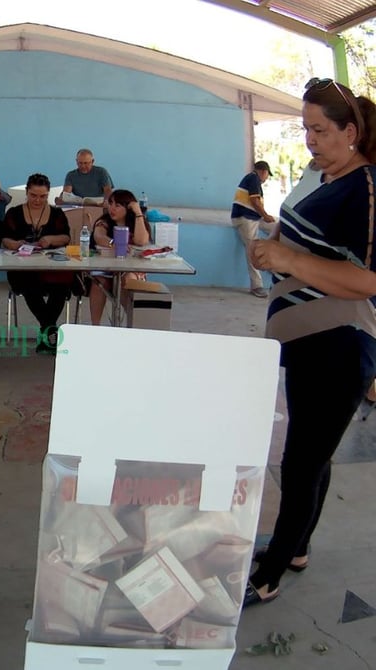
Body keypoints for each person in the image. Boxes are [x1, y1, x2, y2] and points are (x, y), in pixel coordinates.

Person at [244, 78, 376, 607]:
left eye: (320, 130)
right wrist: (271, 242)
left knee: (302, 460)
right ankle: (295, 547)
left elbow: (367, 280)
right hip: (305, 340)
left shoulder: (365, 188)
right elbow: (294, 230)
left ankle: (271, 571)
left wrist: (290, 261)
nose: (310, 140)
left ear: (351, 131)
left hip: (340, 343)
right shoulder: (317, 175)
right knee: (309, 453)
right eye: (305, 130)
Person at [0, 173, 72, 354]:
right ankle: (50, 330)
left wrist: (50, 240)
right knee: (28, 285)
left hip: (51, 266)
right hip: (22, 268)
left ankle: (47, 332)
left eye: (43, 196)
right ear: (26, 192)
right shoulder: (14, 213)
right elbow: (5, 239)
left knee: (61, 286)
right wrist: (16, 244)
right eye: (33, 195)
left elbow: (66, 237)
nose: (38, 200)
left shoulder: (56, 213)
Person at [88, 189, 152, 325]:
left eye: (117, 205)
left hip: (130, 269)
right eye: (110, 204)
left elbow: (141, 241)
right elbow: (98, 236)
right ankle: (95, 327)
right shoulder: (104, 221)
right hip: (106, 269)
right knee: (99, 281)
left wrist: (138, 213)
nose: (112, 208)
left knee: (128, 279)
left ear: (128, 208)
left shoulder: (136, 222)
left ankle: (135, 323)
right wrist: (113, 243)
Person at [231, 160, 277, 298]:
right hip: (245, 218)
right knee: (252, 248)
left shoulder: (253, 179)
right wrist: (265, 215)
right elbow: (255, 202)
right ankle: (257, 285)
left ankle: (272, 259)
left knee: (278, 227)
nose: (266, 178)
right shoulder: (253, 178)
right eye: (267, 175)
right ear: (264, 172)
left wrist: (266, 217)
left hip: (254, 218)